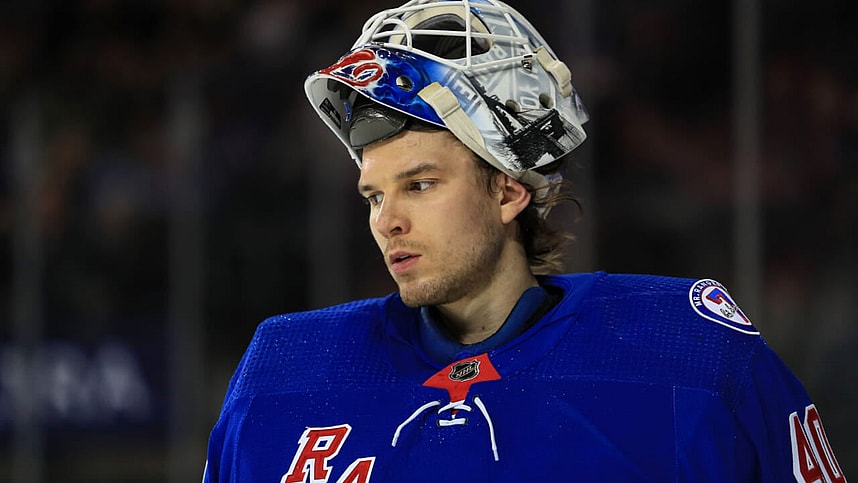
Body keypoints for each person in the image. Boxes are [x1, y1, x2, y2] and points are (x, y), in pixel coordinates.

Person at [203, 0, 846, 481]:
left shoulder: (687, 349)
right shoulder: (280, 373)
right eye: (375, 195)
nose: (387, 220)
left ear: (509, 192)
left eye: (420, 185)